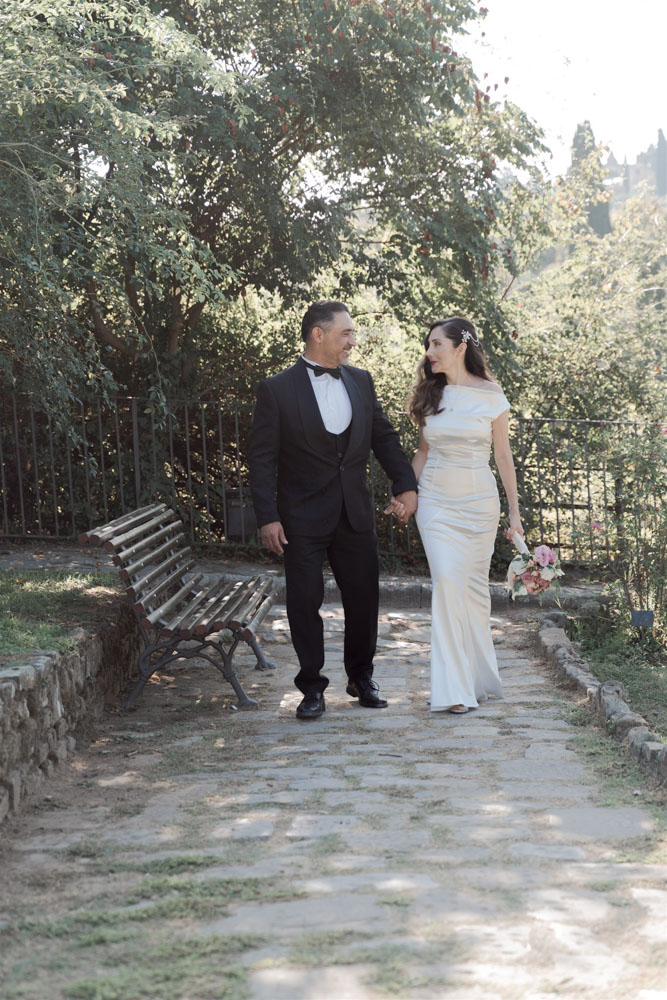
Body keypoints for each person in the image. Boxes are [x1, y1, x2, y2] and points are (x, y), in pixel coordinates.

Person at [249, 301, 418, 720]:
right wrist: (268, 516)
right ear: (317, 335)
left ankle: (362, 678)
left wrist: (406, 484)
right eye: (345, 333)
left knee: (364, 598)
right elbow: (262, 458)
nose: (352, 341)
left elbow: (384, 437)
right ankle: (311, 687)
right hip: (300, 517)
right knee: (303, 602)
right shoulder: (276, 389)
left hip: (354, 512)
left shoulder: (361, 381)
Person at [408, 316, 524, 714]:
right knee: (445, 581)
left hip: (479, 506)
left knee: (473, 592)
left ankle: (476, 679)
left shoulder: (492, 394)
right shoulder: (430, 394)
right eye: (428, 345)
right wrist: (406, 493)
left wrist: (514, 513)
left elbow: (503, 456)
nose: (429, 352)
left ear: (460, 348)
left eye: (436, 344)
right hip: (436, 503)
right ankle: (453, 689)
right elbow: (422, 453)